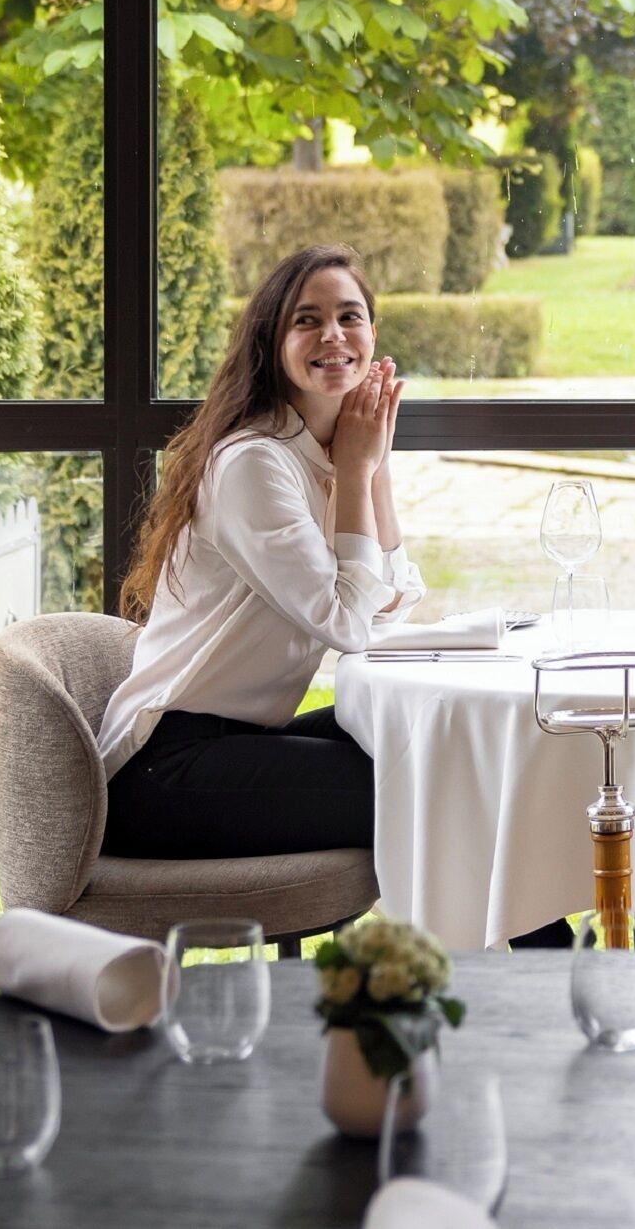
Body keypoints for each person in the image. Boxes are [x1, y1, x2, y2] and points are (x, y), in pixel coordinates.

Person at [98, 244, 423, 861]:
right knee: (428, 786)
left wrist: (373, 465)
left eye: (350, 316)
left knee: (440, 747)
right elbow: (348, 625)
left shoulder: (330, 455)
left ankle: (556, 957)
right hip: (163, 772)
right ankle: (534, 960)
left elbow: (388, 608)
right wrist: (357, 470)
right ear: (272, 342)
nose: (333, 334)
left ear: (373, 335)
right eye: (307, 320)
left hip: (241, 745)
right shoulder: (253, 463)